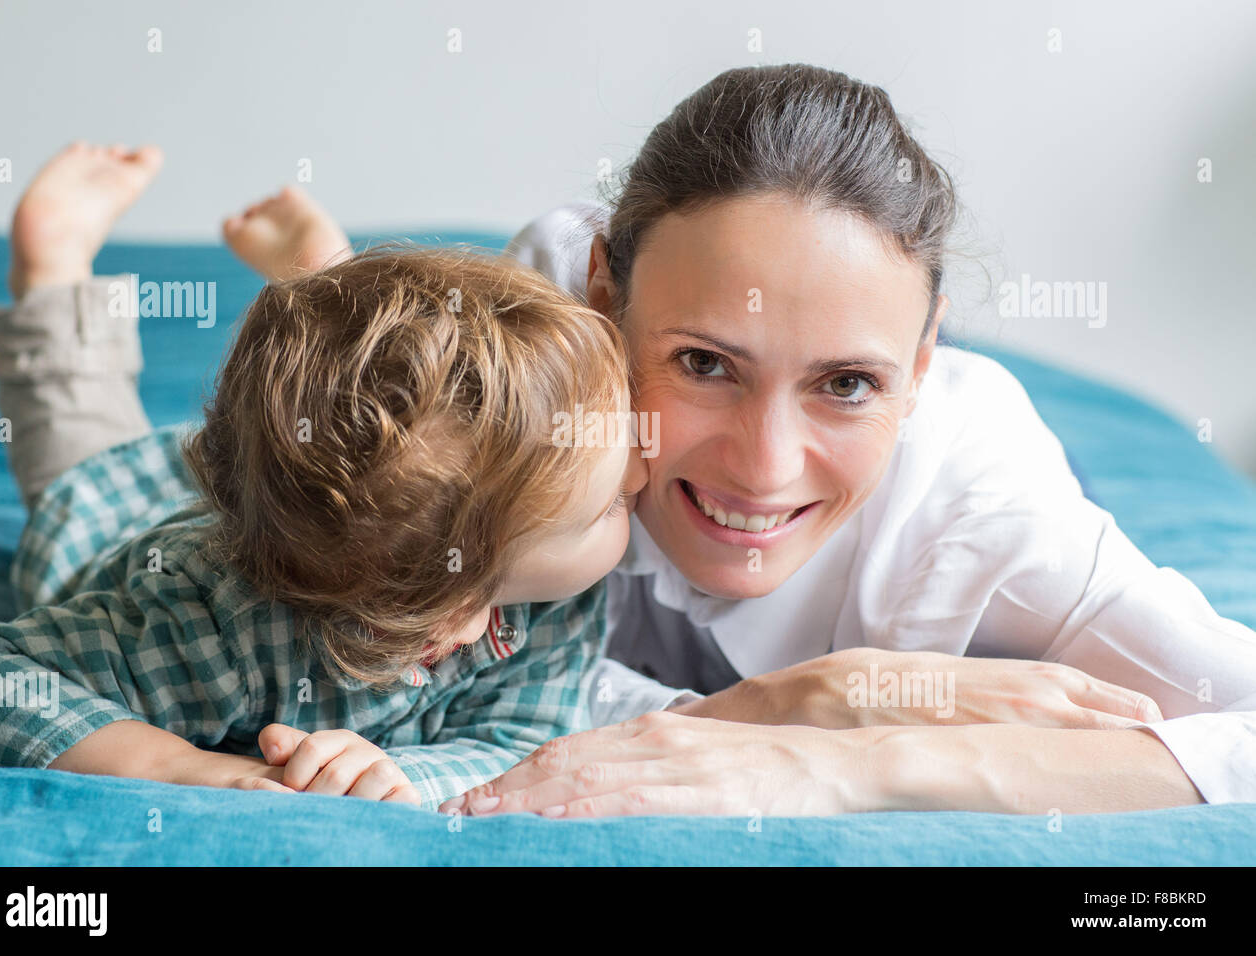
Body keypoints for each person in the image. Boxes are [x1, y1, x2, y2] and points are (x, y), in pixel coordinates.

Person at [441, 63, 1256, 818]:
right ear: (602, 297)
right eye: (703, 363)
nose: (764, 469)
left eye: (846, 384)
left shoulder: (992, 531)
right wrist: (794, 703)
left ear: (926, 355)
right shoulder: (541, 339)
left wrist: (854, 759)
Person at [0, 142, 647, 811]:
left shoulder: (554, 594)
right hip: (134, 524)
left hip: (300, 490)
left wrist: (398, 775)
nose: (646, 472)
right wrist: (179, 766)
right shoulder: (214, 634)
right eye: (611, 502)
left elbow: (525, 742)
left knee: (395, 445)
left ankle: (329, 286)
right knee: (79, 435)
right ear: (456, 614)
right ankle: (54, 271)